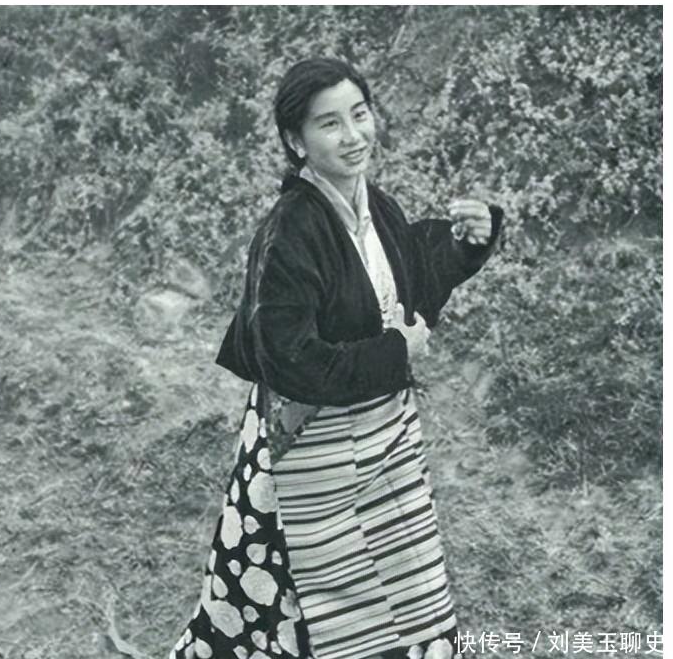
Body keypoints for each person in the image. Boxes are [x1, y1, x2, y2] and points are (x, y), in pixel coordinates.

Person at [170, 57, 502, 659]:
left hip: (383, 439)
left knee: (411, 596)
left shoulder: (376, 206)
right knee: (287, 613)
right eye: (330, 124)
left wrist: (465, 243)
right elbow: (289, 359)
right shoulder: (288, 233)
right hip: (308, 455)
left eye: (360, 114)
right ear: (296, 141)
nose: (353, 136)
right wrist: (395, 350)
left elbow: (406, 280)